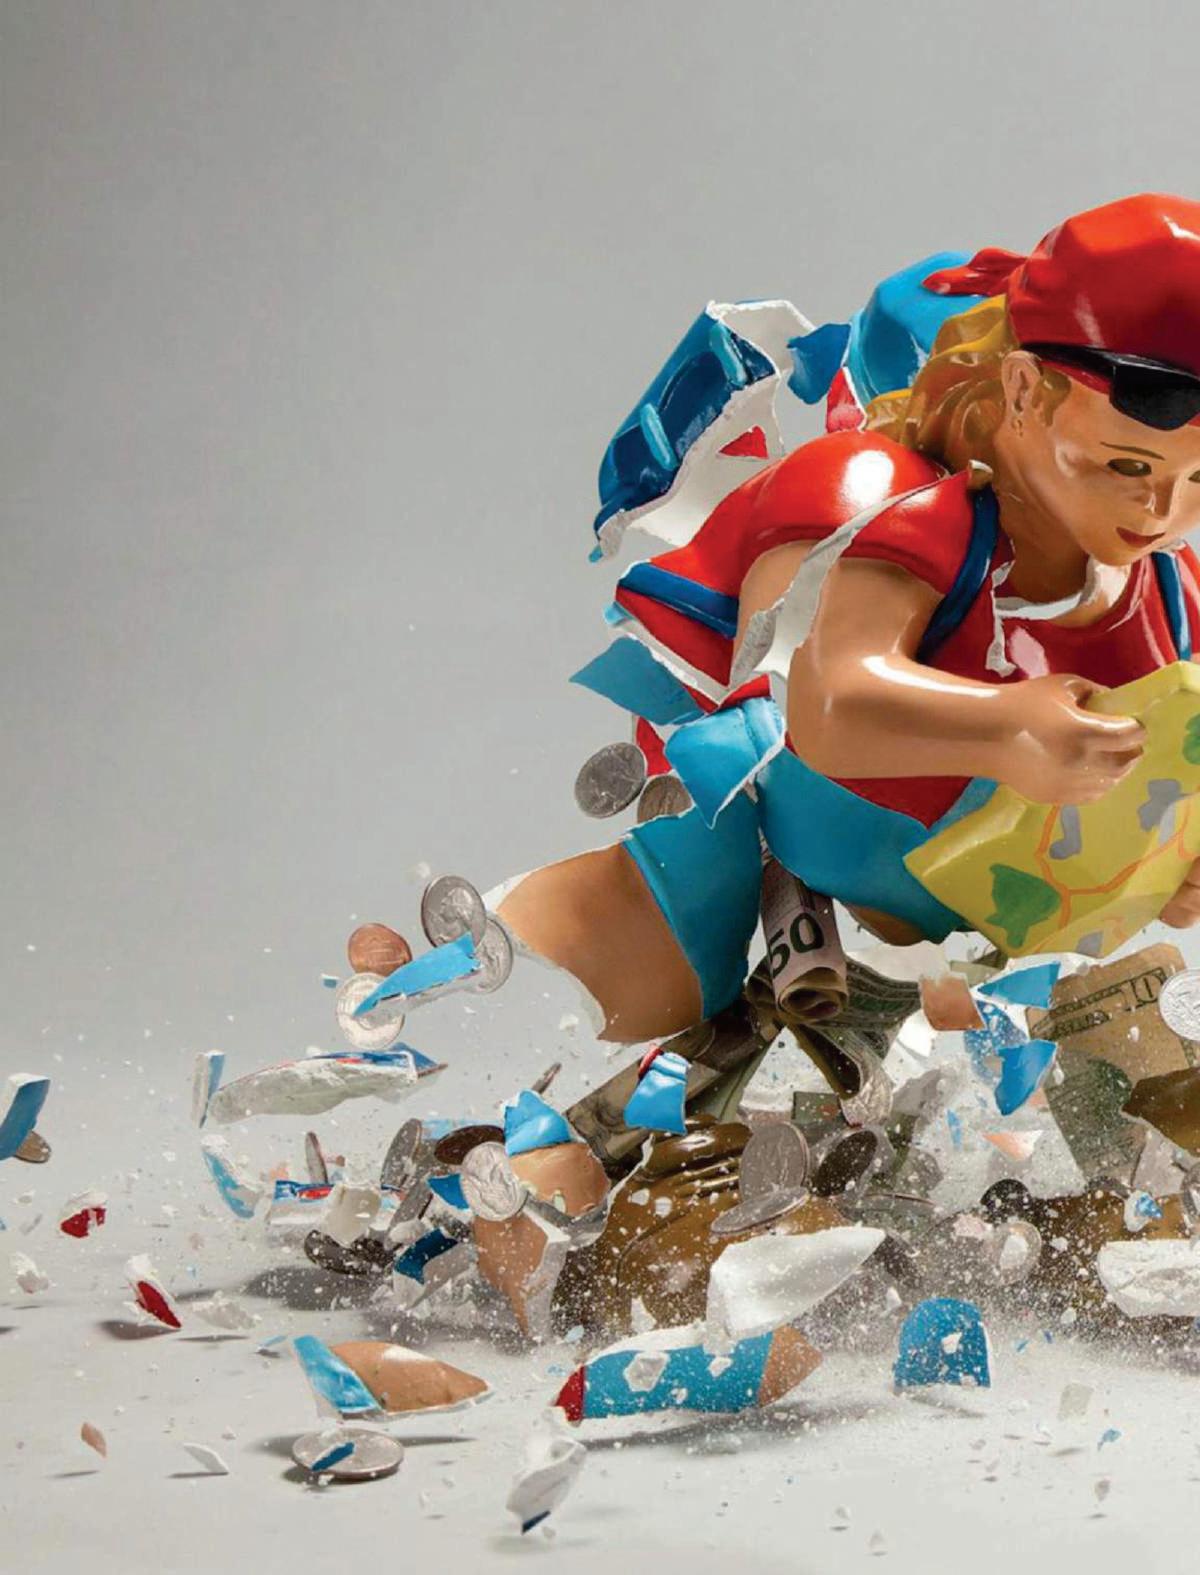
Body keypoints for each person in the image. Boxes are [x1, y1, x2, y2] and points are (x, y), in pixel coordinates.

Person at [383, 195, 1200, 1049]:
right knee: (682, 925)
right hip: (822, 845)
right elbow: (832, 704)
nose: (1160, 509)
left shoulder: (1168, 592)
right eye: (1126, 465)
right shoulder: (901, 504)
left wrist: (1175, 870)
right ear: (1025, 389)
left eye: (1199, 481)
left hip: (993, 939)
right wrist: (1006, 727)